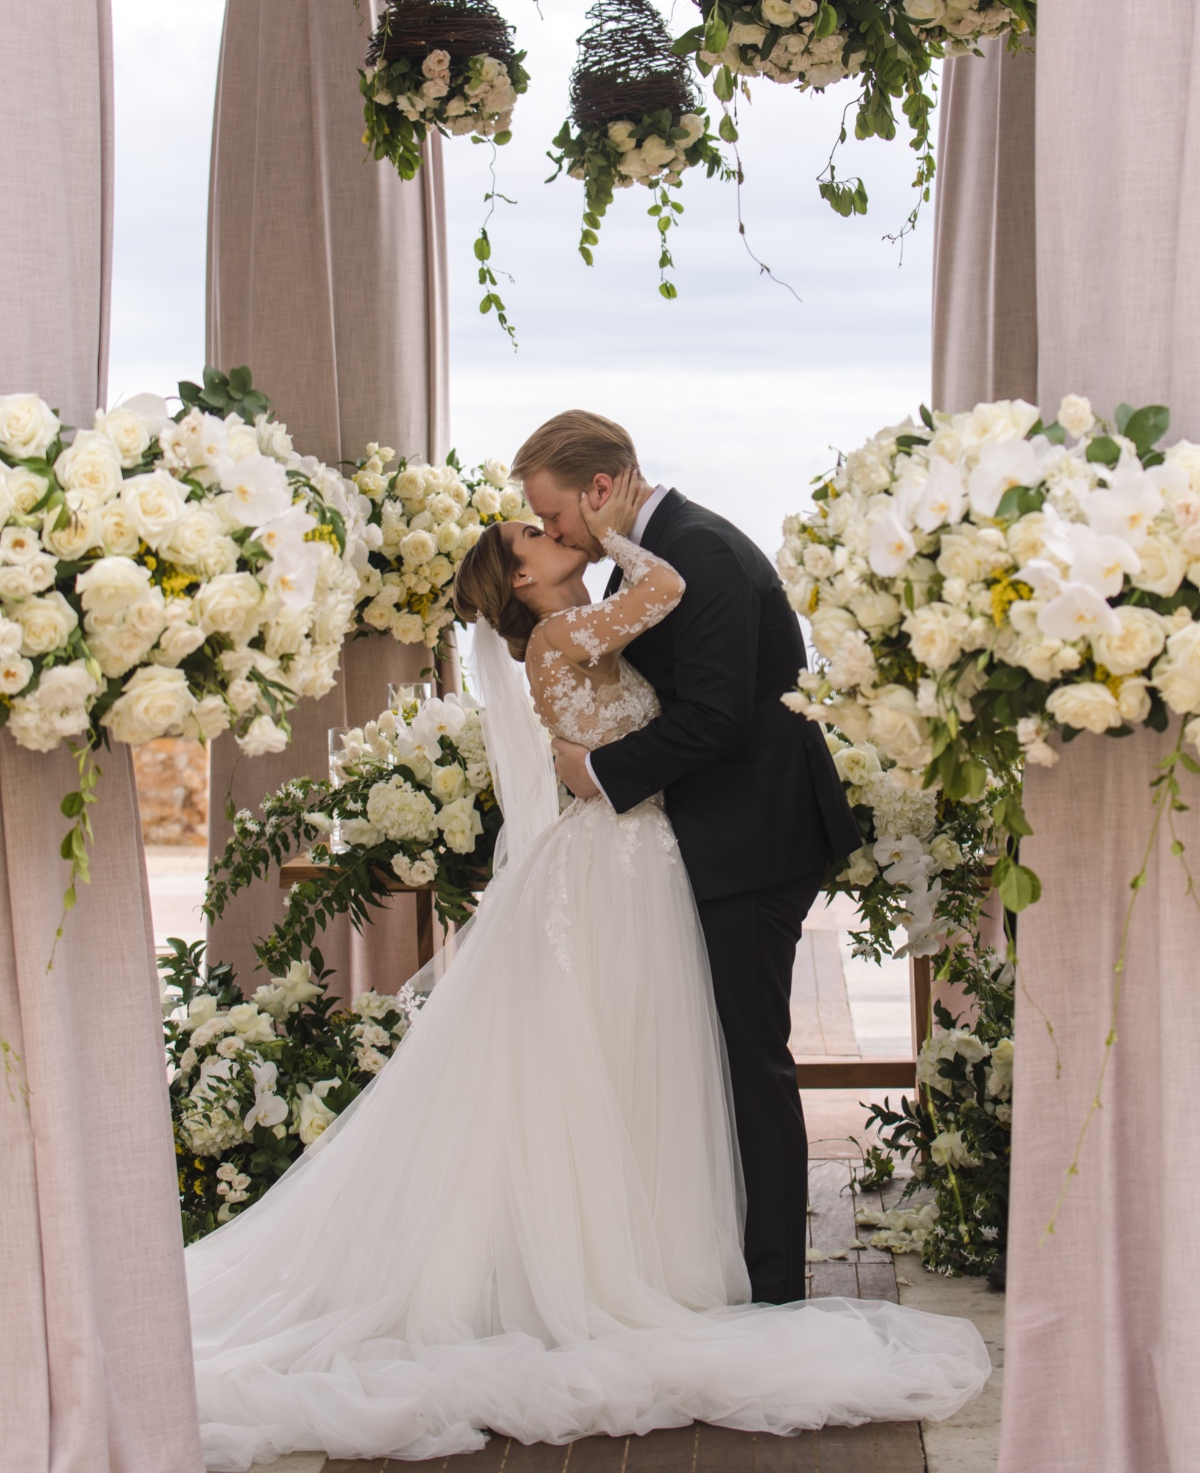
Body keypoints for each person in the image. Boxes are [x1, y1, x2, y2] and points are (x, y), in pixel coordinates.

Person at [186, 467, 989, 1471]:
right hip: (618, 859)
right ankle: (632, 1263)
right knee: (627, 1048)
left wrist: (607, 538)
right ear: (522, 586)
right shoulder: (569, 632)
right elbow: (665, 600)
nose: (550, 529)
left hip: (637, 852)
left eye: (548, 514)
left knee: (646, 1050)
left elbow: (676, 674)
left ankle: (663, 1249)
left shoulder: (584, 618)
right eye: (534, 534)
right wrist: (618, 531)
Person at [512, 410, 861, 1304]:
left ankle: (776, 1286)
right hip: (716, 836)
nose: (550, 534)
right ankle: (717, 1256)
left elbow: (715, 719)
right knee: (709, 1054)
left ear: (601, 489)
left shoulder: (695, 551)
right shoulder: (663, 549)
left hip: (753, 839)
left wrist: (593, 770)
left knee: (750, 1060)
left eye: (552, 515)